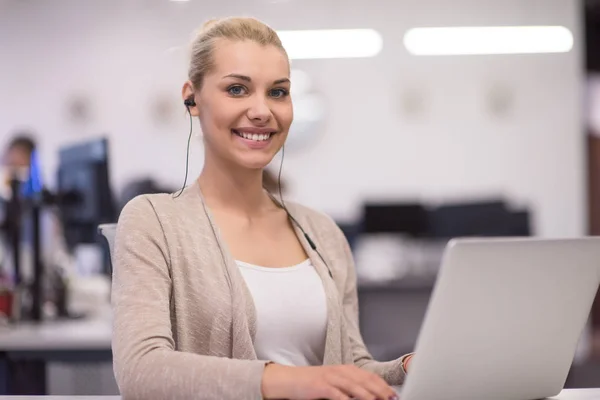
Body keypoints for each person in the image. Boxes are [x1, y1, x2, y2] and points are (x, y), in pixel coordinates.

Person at [112, 17, 413, 400]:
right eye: (237, 89)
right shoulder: (153, 221)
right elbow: (142, 370)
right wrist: (291, 380)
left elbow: (348, 366)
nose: (261, 111)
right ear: (192, 98)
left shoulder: (322, 233)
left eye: (278, 92)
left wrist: (403, 368)